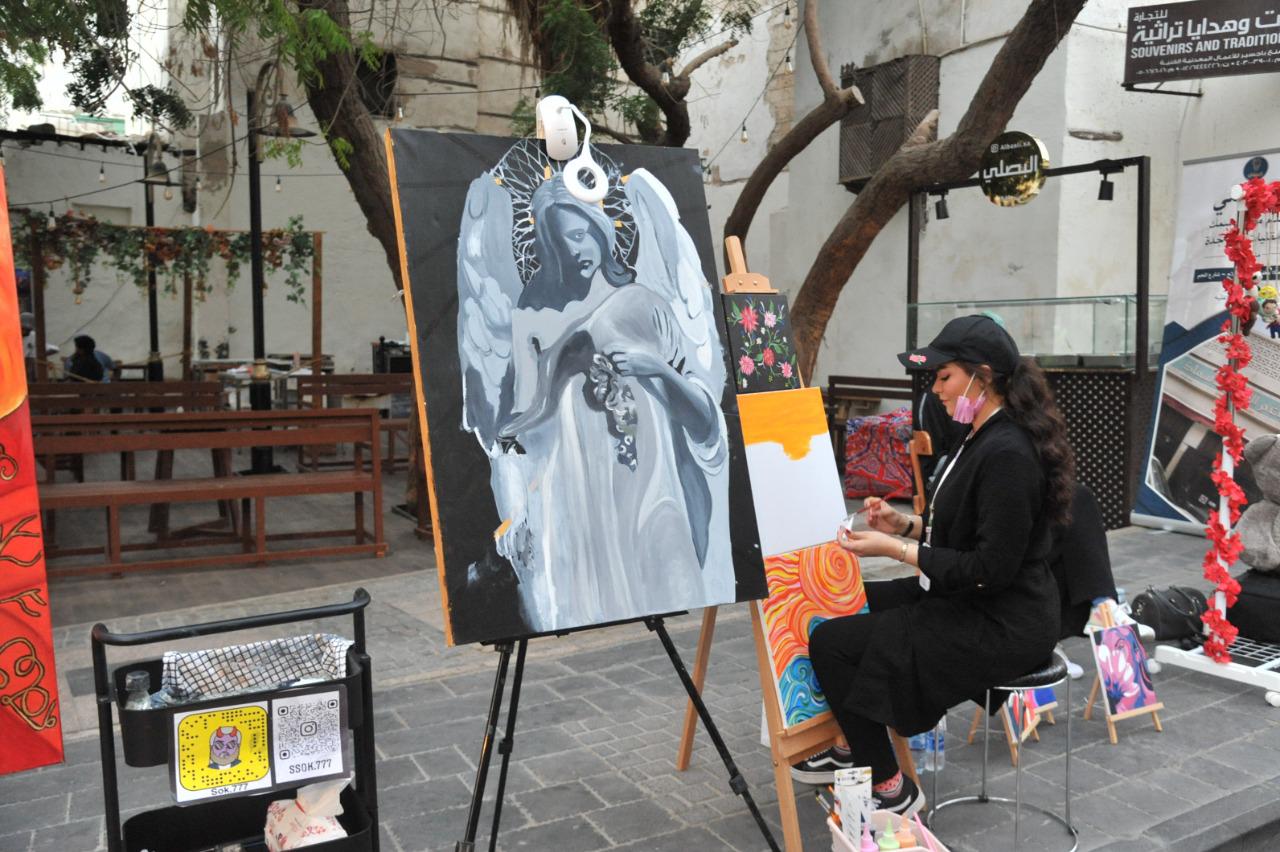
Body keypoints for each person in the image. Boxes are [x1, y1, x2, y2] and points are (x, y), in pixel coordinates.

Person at [800, 315, 1074, 817]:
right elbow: (960, 532)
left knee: (832, 644)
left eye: (944, 377)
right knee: (845, 604)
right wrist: (899, 526)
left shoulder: (1008, 451)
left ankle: (889, 786)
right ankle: (851, 733)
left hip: (1003, 618)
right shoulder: (980, 436)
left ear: (982, 376)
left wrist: (895, 552)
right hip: (969, 594)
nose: (937, 391)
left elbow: (989, 566)